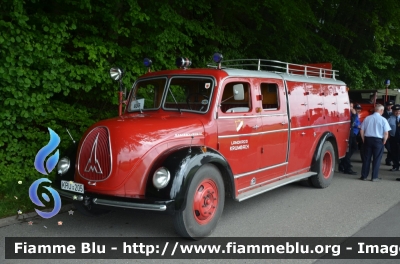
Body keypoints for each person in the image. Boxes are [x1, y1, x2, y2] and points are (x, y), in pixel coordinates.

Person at [360, 104, 391, 182]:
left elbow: (362, 130)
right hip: (378, 141)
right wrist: (384, 141)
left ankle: (364, 176)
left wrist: (363, 138)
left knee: (366, 158)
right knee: (377, 159)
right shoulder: (383, 119)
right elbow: (386, 133)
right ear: (381, 110)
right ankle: (374, 177)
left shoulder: (367, 118)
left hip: (368, 139)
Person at [339, 103, 361, 174]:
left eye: (352, 106)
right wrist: (354, 115)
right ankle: (347, 167)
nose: (352, 108)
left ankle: (343, 162)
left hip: (352, 134)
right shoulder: (347, 113)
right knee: (347, 151)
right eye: (350, 106)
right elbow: (352, 123)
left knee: (354, 147)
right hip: (347, 134)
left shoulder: (354, 113)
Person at [387, 104, 400, 171]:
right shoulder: (389, 119)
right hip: (393, 138)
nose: (397, 112)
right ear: (392, 111)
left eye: (398, 111)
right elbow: (387, 128)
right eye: (395, 111)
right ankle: (395, 166)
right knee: (394, 152)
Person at [383, 100, 395, 166]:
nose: (389, 107)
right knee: (389, 147)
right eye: (388, 106)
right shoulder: (383, 113)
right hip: (385, 134)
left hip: (393, 134)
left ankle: (388, 160)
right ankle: (391, 159)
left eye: (391, 106)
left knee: (393, 147)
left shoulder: (395, 113)